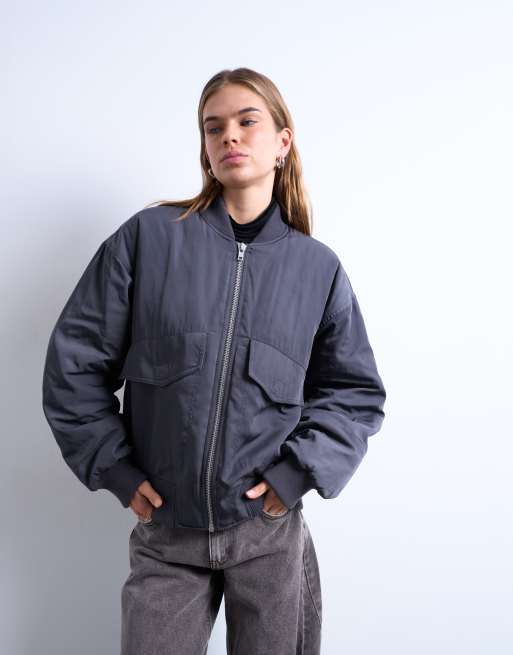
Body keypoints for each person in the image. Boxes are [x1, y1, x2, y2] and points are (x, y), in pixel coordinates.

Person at [42, 67, 386, 654]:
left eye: (247, 122)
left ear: (282, 141)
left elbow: (354, 394)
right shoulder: (149, 239)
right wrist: (118, 470)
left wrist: (295, 475)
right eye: (213, 126)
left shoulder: (317, 269)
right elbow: (73, 365)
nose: (229, 135)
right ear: (204, 147)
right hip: (167, 537)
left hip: (269, 537)